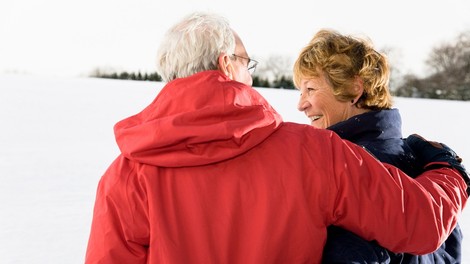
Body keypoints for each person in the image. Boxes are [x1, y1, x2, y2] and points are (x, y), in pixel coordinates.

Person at [85, 12, 469, 264]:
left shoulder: (123, 178)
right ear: (225, 64)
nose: (250, 75)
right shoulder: (315, 153)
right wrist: (448, 170)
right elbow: (419, 223)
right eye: (245, 62)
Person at [294, 29, 468, 263]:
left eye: (310, 89)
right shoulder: (419, 162)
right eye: (301, 91)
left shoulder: (352, 170)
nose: (300, 104)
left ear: (355, 90)